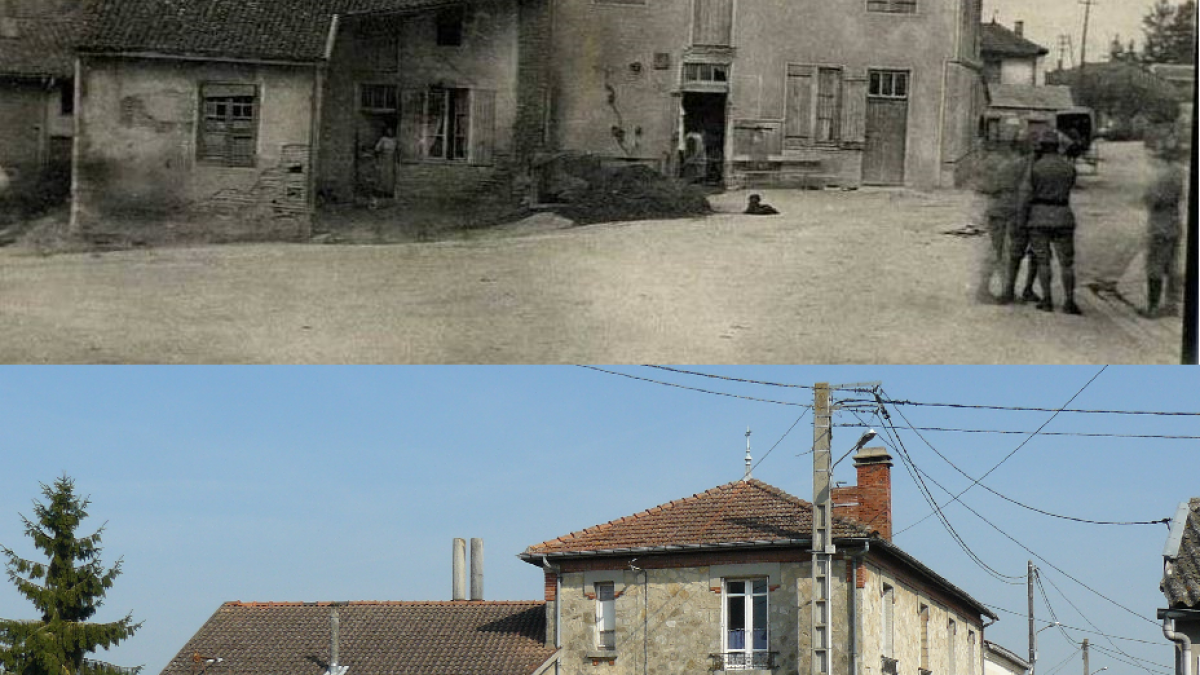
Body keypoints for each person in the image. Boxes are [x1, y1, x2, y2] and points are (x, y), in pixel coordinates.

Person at [1021, 129, 1081, 314]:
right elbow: (1070, 187)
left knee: (1043, 261)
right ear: (1057, 147)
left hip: (1039, 216)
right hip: (1063, 215)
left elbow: (1027, 194)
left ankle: (1047, 300)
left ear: (1042, 147)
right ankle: (1069, 301)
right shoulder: (1069, 167)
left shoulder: (1035, 167)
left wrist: (1023, 218)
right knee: (1067, 263)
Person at [974, 141, 1031, 304]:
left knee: (1000, 251)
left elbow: (988, 188)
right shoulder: (1021, 165)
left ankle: (1000, 290)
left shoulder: (1004, 165)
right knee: (1000, 252)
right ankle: (986, 290)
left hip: (999, 209)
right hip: (1008, 211)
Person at [1143, 135, 1184, 318]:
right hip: (1174, 224)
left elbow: (1153, 200)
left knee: (1155, 266)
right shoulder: (1180, 172)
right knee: (1172, 266)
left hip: (1160, 226)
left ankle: (1153, 307)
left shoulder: (1162, 176)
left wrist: (1147, 196)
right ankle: (1172, 304)